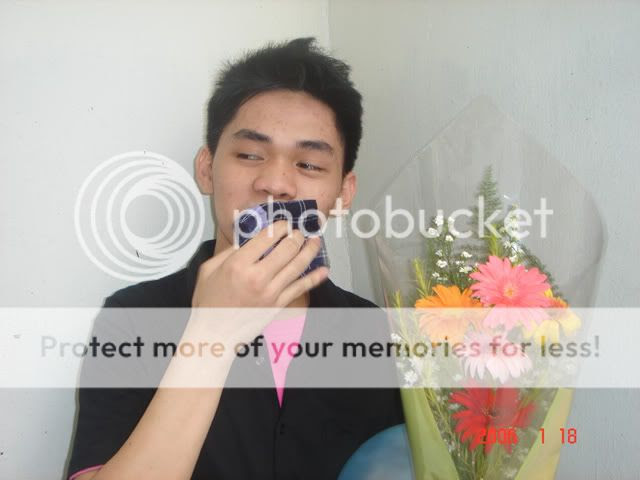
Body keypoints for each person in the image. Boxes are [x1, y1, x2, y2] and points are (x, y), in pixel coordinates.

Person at [65, 37, 404, 480]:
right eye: (249, 155)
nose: (275, 183)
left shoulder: (377, 331)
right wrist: (213, 334)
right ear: (207, 169)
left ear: (343, 192)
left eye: (308, 165)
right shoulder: (133, 317)